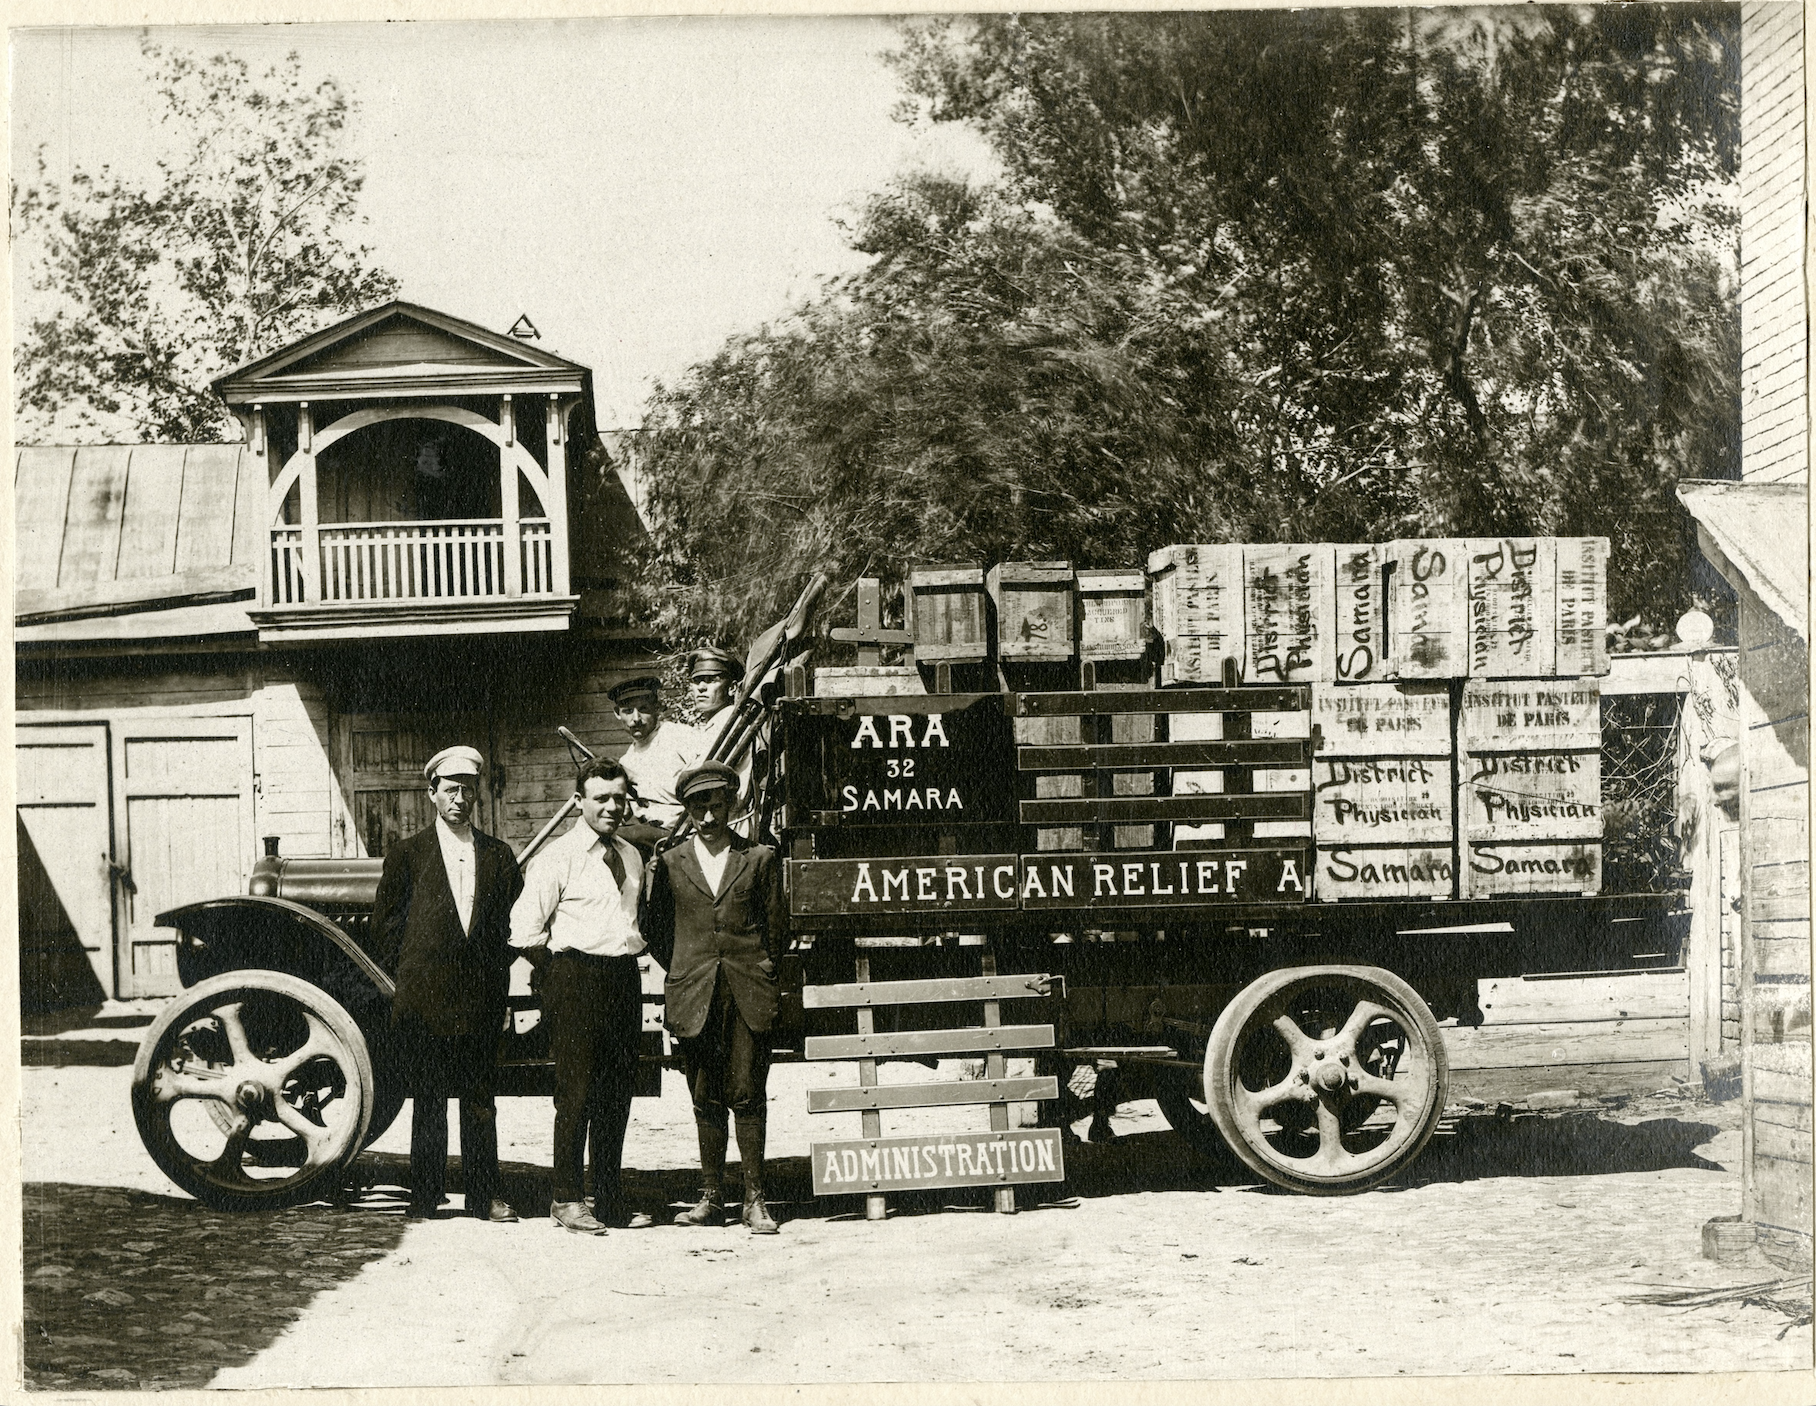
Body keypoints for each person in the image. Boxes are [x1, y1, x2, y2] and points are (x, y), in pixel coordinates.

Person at [372, 746, 523, 1222]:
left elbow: (512, 928)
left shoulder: (498, 855)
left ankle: (485, 1196)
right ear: (432, 793)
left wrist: (499, 987)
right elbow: (386, 928)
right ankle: (426, 1194)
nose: (461, 798)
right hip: (425, 1001)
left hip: (480, 999)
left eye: (469, 789)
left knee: (480, 1100)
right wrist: (407, 986)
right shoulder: (408, 854)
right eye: (451, 789)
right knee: (430, 1101)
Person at [640, 762, 788, 1234]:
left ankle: (755, 1200)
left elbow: (777, 929)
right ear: (685, 809)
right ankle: (710, 1198)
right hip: (694, 993)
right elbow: (657, 931)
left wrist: (754, 967)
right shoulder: (670, 862)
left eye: (716, 805)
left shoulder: (760, 858)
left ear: (731, 806)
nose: (707, 816)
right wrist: (689, 966)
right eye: (698, 806)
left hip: (748, 992)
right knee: (705, 1096)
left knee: (747, 1094)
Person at [510, 758, 655, 1235]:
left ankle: (609, 1196)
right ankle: (567, 1197)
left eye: (619, 798)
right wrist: (557, 978)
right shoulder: (558, 856)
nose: (612, 807)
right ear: (579, 802)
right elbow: (524, 928)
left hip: (621, 978)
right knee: (576, 1093)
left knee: (617, 1093)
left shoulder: (632, 857)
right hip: (573, 977)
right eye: (601, 798)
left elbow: (634, 926)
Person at [609, 675, 702, 850]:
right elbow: (628, 813)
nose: (636, 718)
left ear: (657, 707)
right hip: (650, 837)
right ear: (617, 713)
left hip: (684, 832)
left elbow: (701, 787)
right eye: (628, 711)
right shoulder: (627, 758)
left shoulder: (680, 736)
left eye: (643, 709)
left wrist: (637, 779)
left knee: (610, 837)